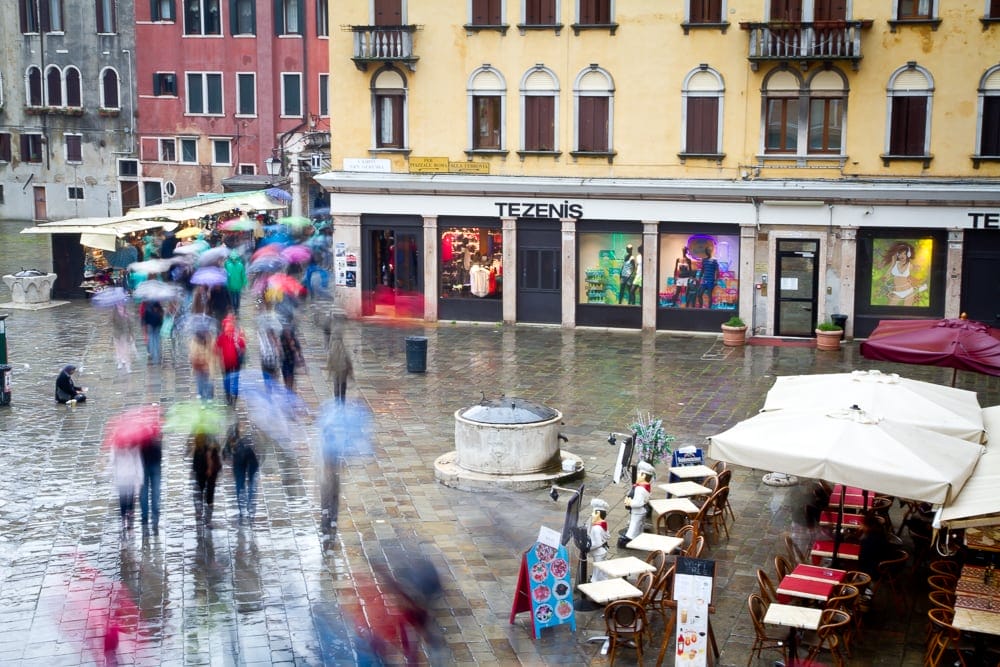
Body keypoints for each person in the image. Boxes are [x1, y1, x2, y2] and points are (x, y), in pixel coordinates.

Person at [224, 424, 259, 521]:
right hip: (241, 463)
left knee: (244, 485)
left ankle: (246, 506)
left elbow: (225, 454)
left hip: (246, 463)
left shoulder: (245, 439)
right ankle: (246, 506)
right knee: (243, 485)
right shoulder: (247, 438)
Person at [190, 432, 222, 527]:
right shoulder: (206, 434)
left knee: (204, 490)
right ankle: (205, 518)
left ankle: (202, 514)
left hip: (205, 466)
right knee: (205, 490)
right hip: (204, 465)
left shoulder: (207, 435)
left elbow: (218, 447)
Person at [620, 461, 655, 547]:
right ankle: (638, 535)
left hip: (638, 511)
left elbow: (638, 503)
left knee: (634, 525)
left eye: (639, 473)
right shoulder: (645, 486)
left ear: (643, 475)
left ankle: (630, 538)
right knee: (639, 525)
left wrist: (630, 502)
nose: (637, 474)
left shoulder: (640, 489)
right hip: (641, 510)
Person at [881, 241, 928, 306]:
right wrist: (892, 264)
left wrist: (918, 268)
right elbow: (886, 276)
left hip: (908, 291)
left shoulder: (910, 265)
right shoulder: (894, 264)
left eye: (904, 254)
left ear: (908, 254)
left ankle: (918, 289)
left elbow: (919, 271)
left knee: (907, 311)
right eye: (900, 254)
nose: (902, 256)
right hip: (897, 292)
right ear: (897, 254)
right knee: (889, 308)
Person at [216, 313, 247, 406]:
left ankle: (230, 395)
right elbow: (243, 347)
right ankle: (232, 395)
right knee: (233, 379)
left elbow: (217, 349)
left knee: (228, 379)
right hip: (232, 363)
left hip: (229, 363)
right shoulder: (235, 336)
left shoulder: (223, 337)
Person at [112, 443, 143, 532]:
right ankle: (129, 515)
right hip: (130, 474)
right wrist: (140, 476)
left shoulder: (116, 444)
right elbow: (138, 461)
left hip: (121, 475)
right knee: (130, 496)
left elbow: (112, 460)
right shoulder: (135, 445)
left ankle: (124, 517)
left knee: (123, 498)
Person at [323, 314, 353, 403]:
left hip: (337, 360)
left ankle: (338, 402)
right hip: (340, 360)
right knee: (340, 382)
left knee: (337, 382)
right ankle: (340, 401)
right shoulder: (341, 340)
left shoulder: (334, 342)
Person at [138, 434, 163, 534]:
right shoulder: (155, 427)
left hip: (146, 462)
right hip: (153, 462)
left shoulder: (140, 429)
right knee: (154, 492)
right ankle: (154, 519)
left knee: (145, 493)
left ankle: (145, 519)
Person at [189, 330, 216, 400]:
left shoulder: (210, 341)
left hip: (207, 365)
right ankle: (202, 395)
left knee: (209, 381)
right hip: (199, 366)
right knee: (200, 381)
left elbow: (213, 355)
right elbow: (192, 354)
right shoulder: (194, 341)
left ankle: (209, 396)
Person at [589, 498, 611, 582]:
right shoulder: (603, 524)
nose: (591, 515)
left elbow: (597, 543)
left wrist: (588, 548)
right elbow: (607, 536)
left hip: (598, 552)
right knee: (602, 569)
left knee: (597, 571)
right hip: (603, 550)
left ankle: (594, 583)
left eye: (593, 513)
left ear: (598, 514)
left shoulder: (596, 528)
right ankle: (603, 580)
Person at [111, 303, 135, 373]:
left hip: (125, 334)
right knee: (118, 349)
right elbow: (110, 322)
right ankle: (119, 362)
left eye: (121, 306)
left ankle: (128, 366)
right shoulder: (114, 314)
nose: (120, 308)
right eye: (119, 306)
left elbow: (131, 326)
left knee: (126, 350)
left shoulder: (127, 314)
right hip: (117, 335)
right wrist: (113, 317)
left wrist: (132, 335)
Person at [279, 324, 304, 392]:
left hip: (291, 362)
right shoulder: (282, 340)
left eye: (289, 334)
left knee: (290, 377)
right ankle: (288, 389)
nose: (288, 335)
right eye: (286, 333)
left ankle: (290, 390)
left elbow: (299, 351)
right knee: (286, 377)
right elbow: (279, 351)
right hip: (284, 361)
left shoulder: (294, 341)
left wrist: (294, 349)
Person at [142, 300, 164, 365]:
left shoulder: (147, 307)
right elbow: (161, 318)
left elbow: (144, 320)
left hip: (152, 326)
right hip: (154, 326)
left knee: (153, 340)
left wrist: (145, 331)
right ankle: (156, 356)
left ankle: (155, 356)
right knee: (155, 340)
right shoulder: (157, 306)